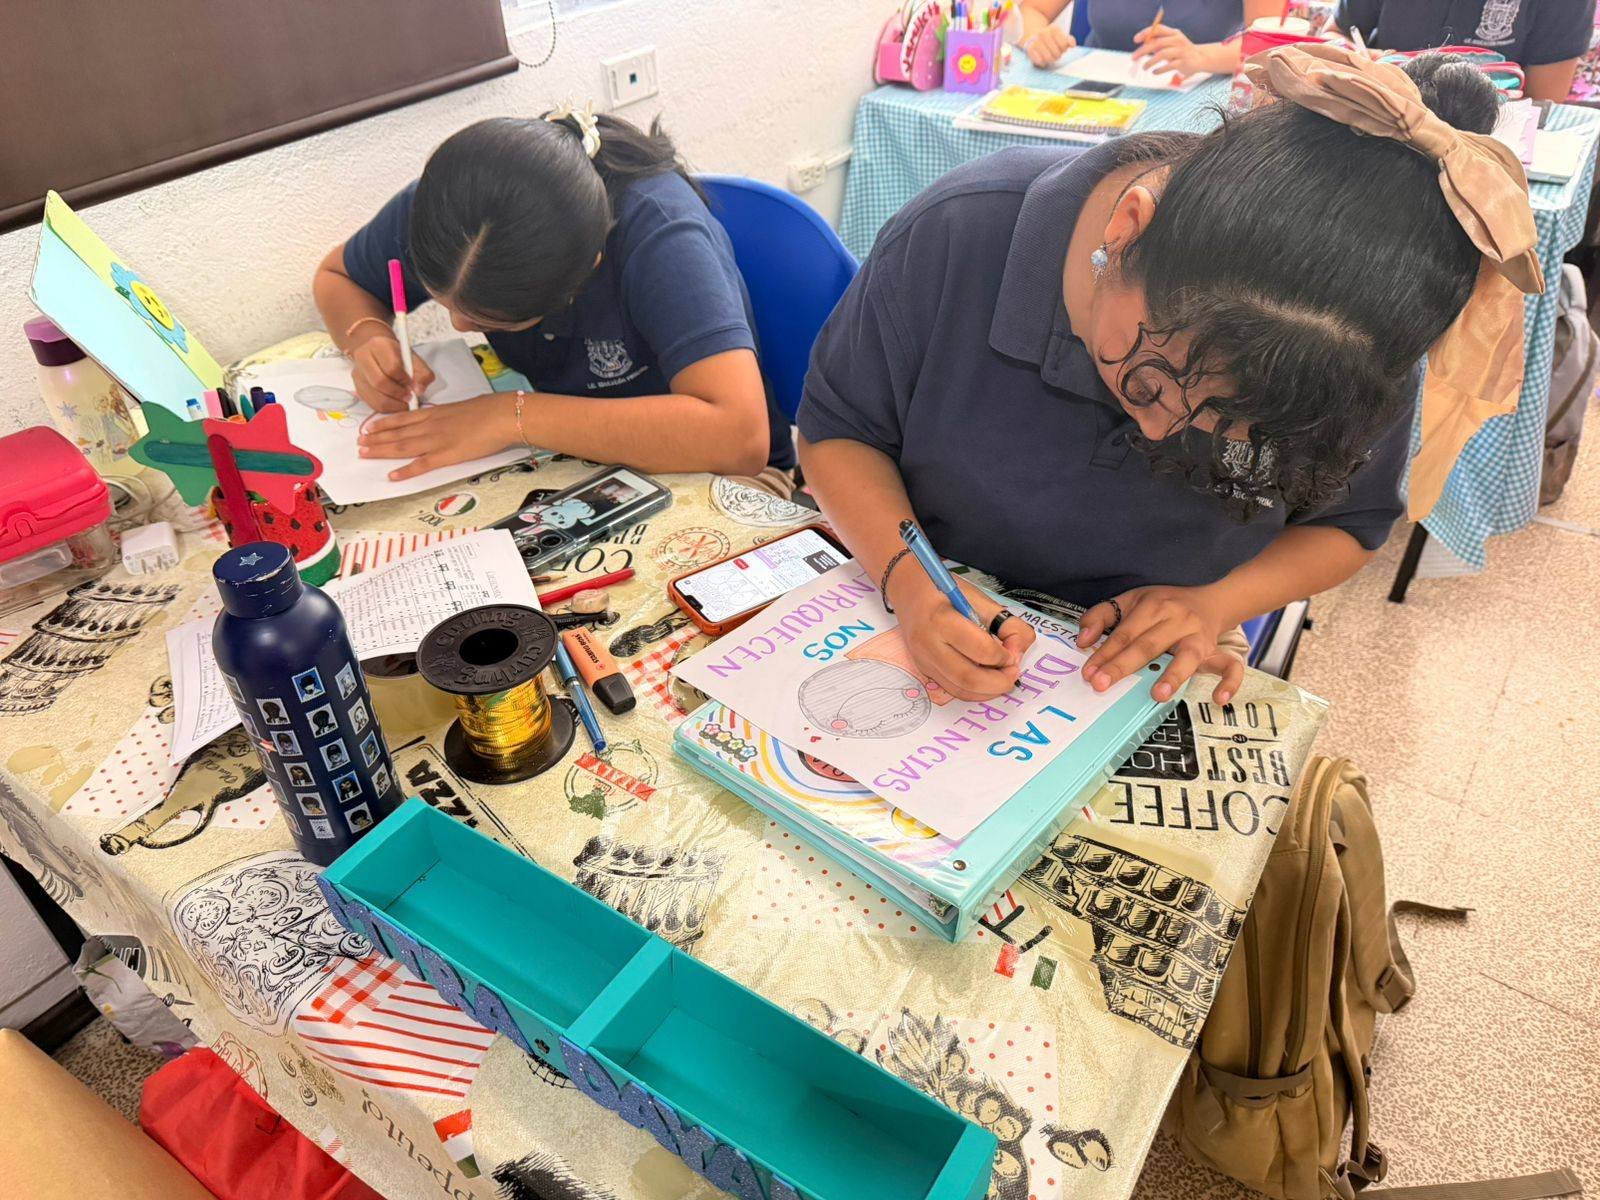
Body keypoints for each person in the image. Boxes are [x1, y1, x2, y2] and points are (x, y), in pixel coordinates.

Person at [798, 49, 1540, 706]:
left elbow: (1348, 528)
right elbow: (838, 433)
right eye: (1148, 384)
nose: (1159, 433)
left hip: (1160, 643)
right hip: (923, 577)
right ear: (1126, 230)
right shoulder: (963, 232)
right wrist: (910, 582)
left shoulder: (1350, 350)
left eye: (1229, 425)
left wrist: (1214, 605)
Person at [312, 107, 794, 487]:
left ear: (586, 271)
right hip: (571, 456)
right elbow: (337, 277)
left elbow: (739, 438)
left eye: (491, 320)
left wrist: (511, 416)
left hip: (716, 473)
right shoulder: (454, 211)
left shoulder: (662, 238)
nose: (458, 325)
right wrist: (367, 336)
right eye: (445, 302)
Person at [1336, 0, 1597, 102]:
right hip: (1373, 113)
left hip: (1483, 141)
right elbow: (1336, 33)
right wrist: (1354, 58)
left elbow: (1541, 104)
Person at [1018, 0, 1281, 75]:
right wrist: (1036, 40)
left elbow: (1270, 41)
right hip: (1098, 94)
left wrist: (1201, 57)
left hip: (1201, 97)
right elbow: (1032, 10)